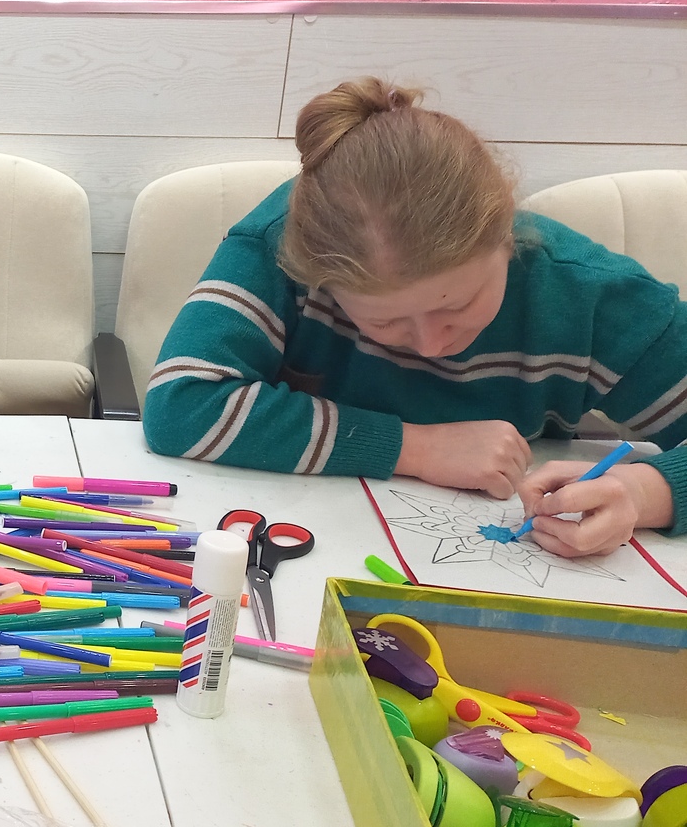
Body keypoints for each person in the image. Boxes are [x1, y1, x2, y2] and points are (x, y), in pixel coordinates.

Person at [142, 76, 687, 559]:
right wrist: (414, 447)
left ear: (506, 238)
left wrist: (644, 492)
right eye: (385, 323)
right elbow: (182, 403)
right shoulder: (284, 244)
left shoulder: (590, 295)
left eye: (458, 306)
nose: (430, 345)